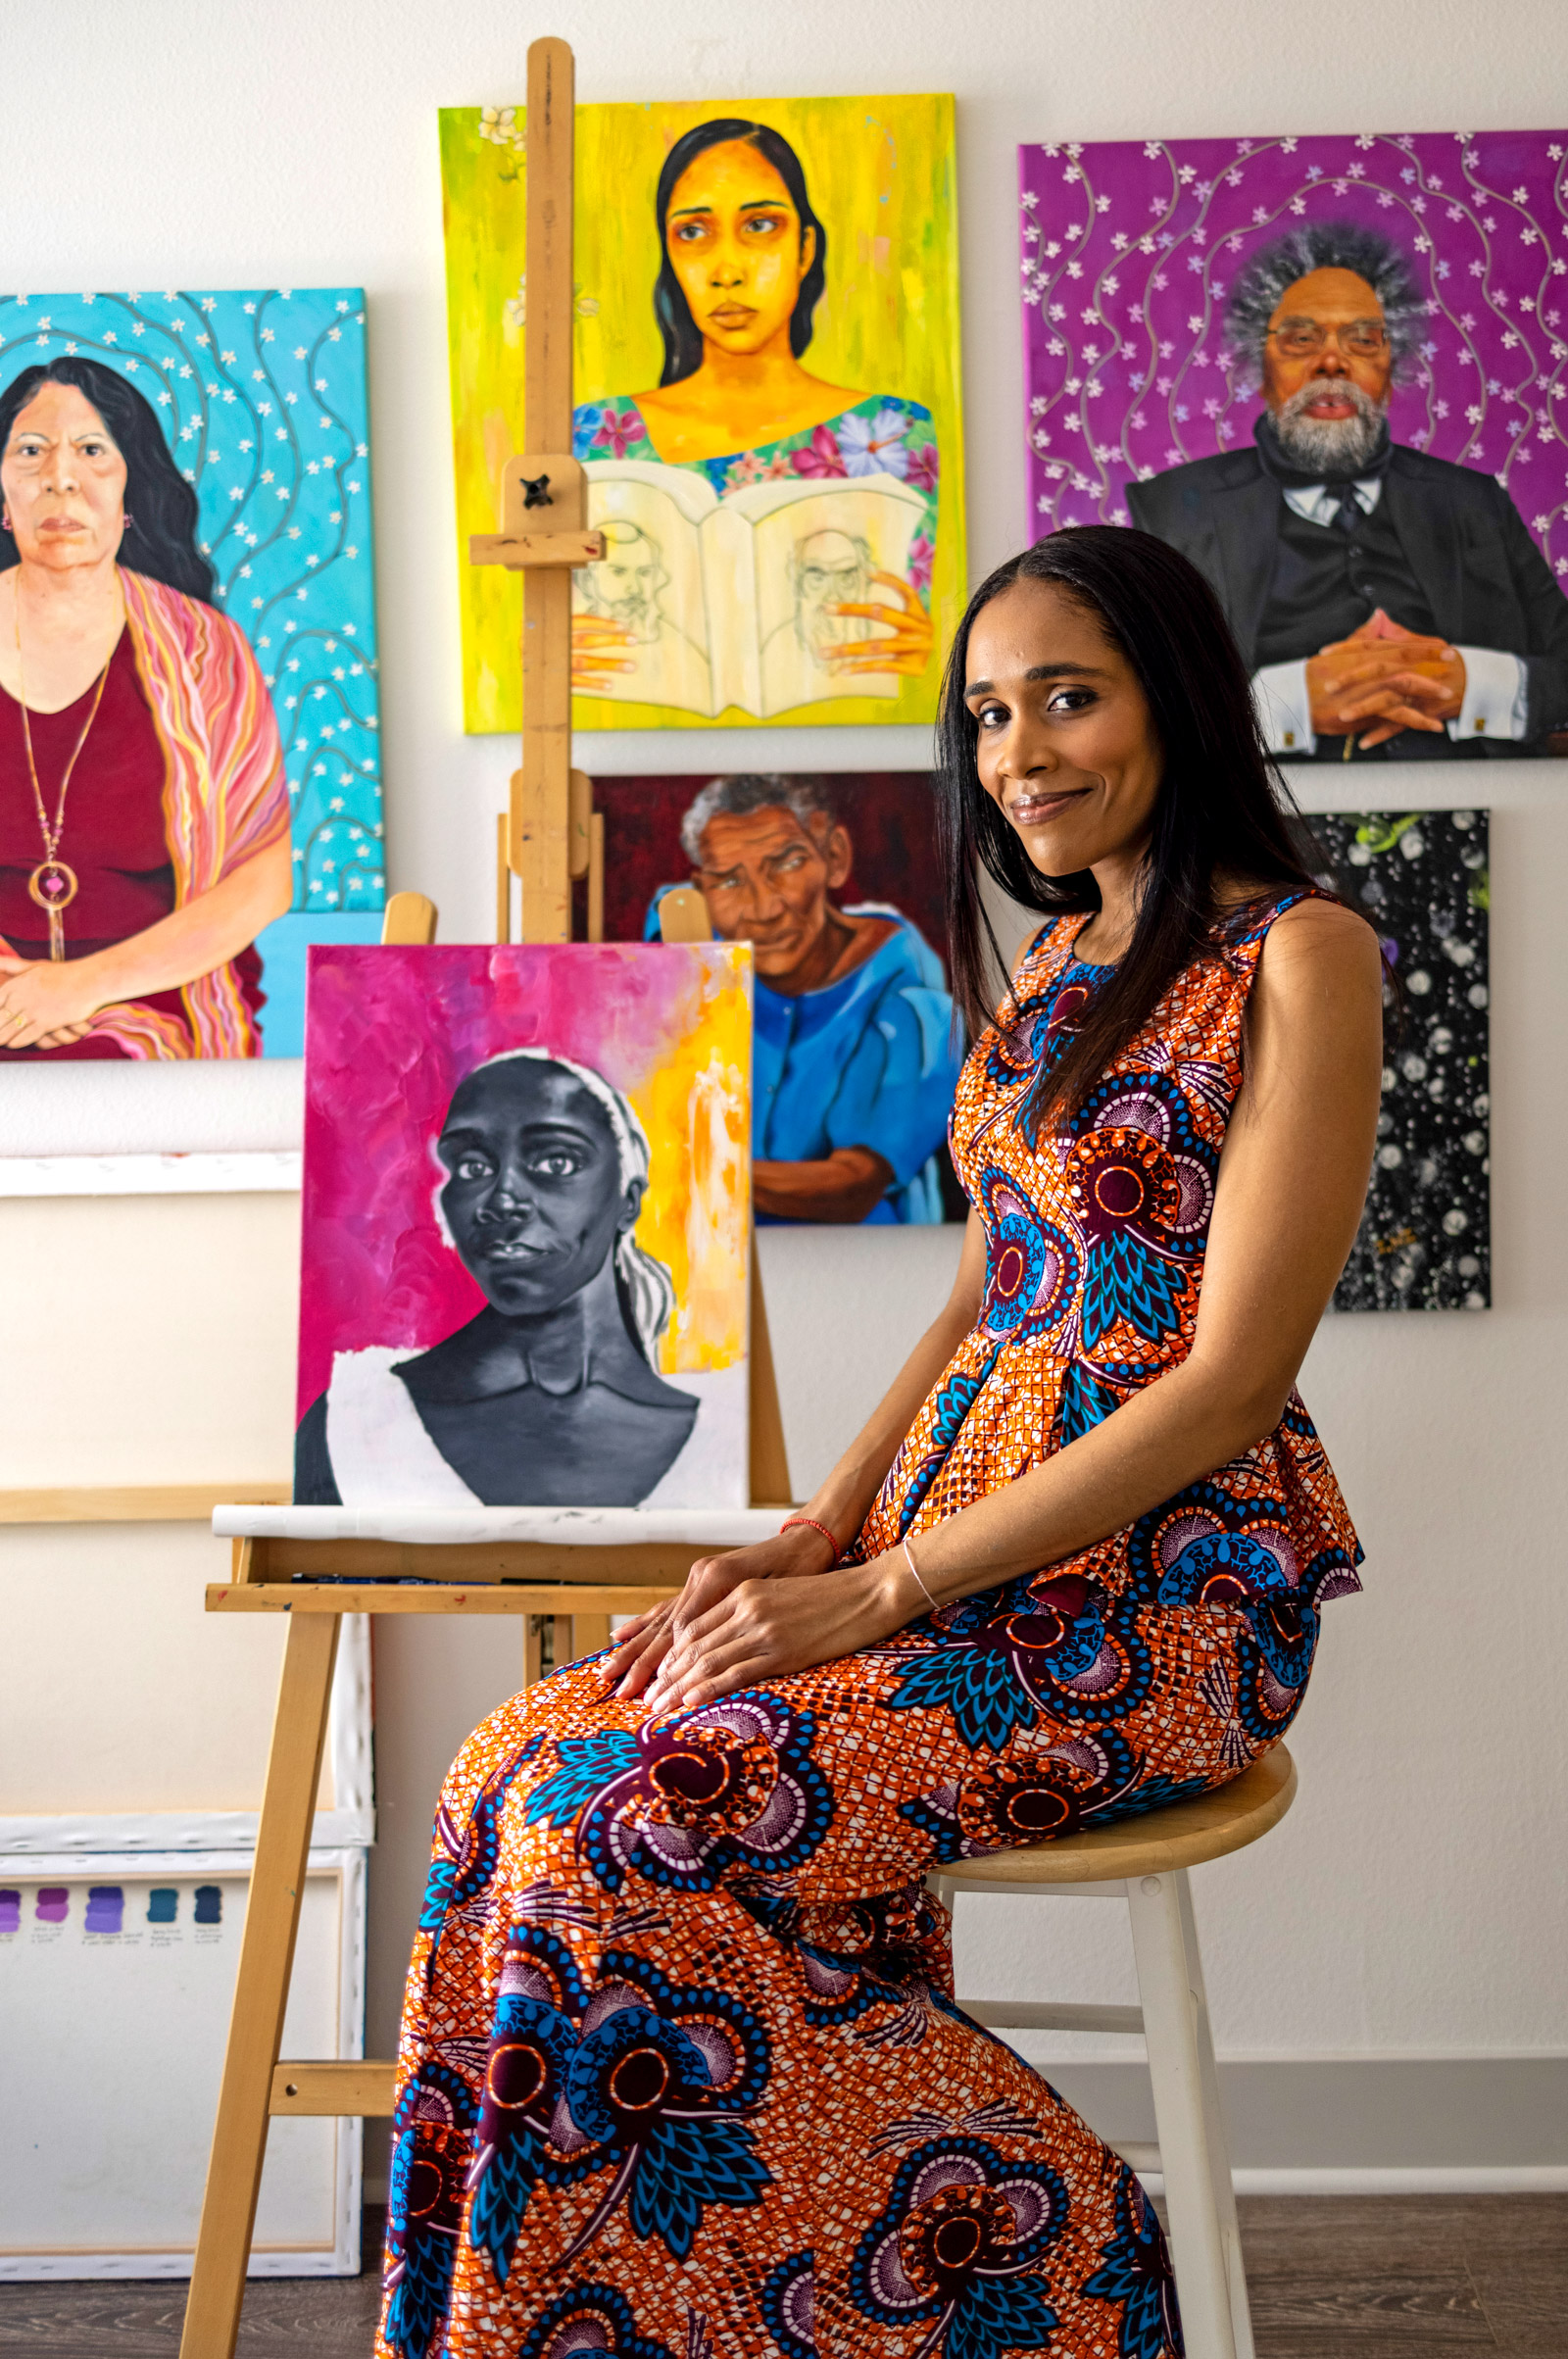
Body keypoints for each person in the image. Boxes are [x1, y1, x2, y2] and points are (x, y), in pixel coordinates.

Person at [378, 526, 1381, 2358]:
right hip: (941, 1554)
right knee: (506, 1780)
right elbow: (988, 1297)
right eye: (992, 713)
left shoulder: (1301, 955)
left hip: (1154, 1596)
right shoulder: (1054, 965)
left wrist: (882, 1593)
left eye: (1069, 697)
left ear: (1176, 697)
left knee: (623, 1832)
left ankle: (1045, 2252)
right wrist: (812, 1537)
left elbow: (1234, 1377)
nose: (1021, 752)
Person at [1127, 221, 1568, 759]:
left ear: (1389, 368)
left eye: (1362, 339)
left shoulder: (1475, 501)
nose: (1332, 362)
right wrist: (1291, 702)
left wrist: (1473, 683)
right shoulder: (1170, 512)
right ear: (1262, 367)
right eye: (1301, 339)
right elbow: (1138, 704)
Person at [570, 117, 937, 700]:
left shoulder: (894, 433)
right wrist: (545, 654)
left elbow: (916, 640)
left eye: (760, 226)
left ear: (804, 248)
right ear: (669, 253)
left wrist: (931, 657)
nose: (727, 271)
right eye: (693, 233)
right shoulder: (593, 436)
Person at [295, 1049, 741, 1509]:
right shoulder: (356, 1422)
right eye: (472, 1167)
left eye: (556, 1163)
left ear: (628, 1202)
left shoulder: (722, 1435)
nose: (502, 1199)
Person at [0, 358, 291, 1057]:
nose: (60, 478)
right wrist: (20, 991)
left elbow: (264, 878)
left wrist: (77, 989)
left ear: (131, 491)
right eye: (30, 451)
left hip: (159, 1001)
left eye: (92, 451)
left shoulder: (204, 649)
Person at [649, 772, 962, 1223]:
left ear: (833, 857)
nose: (763, 908)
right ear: (703, 891)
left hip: (859, 1277)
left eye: (786, 863)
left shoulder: (915, 1010)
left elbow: (853, 1184)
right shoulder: (697, 943)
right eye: (730, 882)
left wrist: (675, 1170)